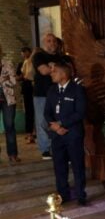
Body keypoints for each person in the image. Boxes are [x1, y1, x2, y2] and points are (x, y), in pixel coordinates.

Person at [44, 61, 87, 205]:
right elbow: (47, 112)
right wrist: (55, 127)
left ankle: (81, 195)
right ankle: (63, 195)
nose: (51, 74)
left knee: (77, 165)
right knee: (59, 166)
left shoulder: (77, 89)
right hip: (57, 135)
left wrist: (62, 124)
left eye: (54, 72)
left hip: (73, 134)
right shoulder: (51, 90)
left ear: (63, 74)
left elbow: (80, 112)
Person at [32, 33, 64, 160]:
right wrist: (56, 69)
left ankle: (55, 147)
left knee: (57, 120)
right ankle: (45, 149)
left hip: (58, 93)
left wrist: (52, 66)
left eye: (54, 41)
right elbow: (43, 70)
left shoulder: (60, 57)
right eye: (49, 41)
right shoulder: (39, 56)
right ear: (45, 43)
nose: (52, 43)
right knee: (42, 122)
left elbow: (66, 72)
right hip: (41, 94)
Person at [0, 44, 20, 163]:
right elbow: (6, 79)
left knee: (10, 126)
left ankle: (12, 154)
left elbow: (13, 81)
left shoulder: (8, 63)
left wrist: (8, 78)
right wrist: (4, 78)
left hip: (8, 99)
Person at [16, 47, 35, 143]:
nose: (23, 54)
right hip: (27, 89)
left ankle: (33, 132)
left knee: (34, 111)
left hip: (35, 89)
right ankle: (29, 133)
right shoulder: (22, 64)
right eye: (22, 53)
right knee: (28, 112)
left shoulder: (34, 62)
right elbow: (19, 76)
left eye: (25, 52)